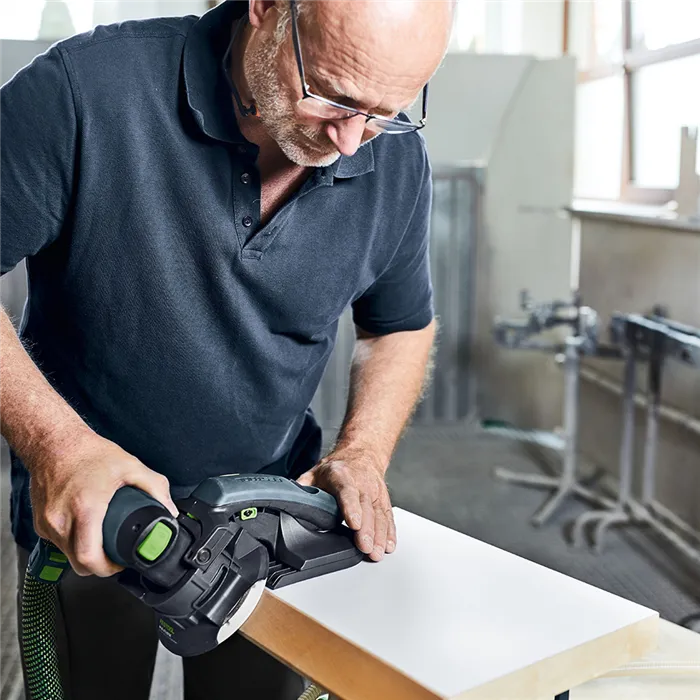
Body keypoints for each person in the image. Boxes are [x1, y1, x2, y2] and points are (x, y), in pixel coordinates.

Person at [0, 0, 454, 697]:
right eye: (332, 95)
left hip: (269, 521)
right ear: (267, 9)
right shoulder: (84, 91)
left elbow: (398, 325)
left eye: (386, 112)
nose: (351, 141)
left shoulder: (392, 160)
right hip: (95, 509)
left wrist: (362, 451)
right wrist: (58, 447)